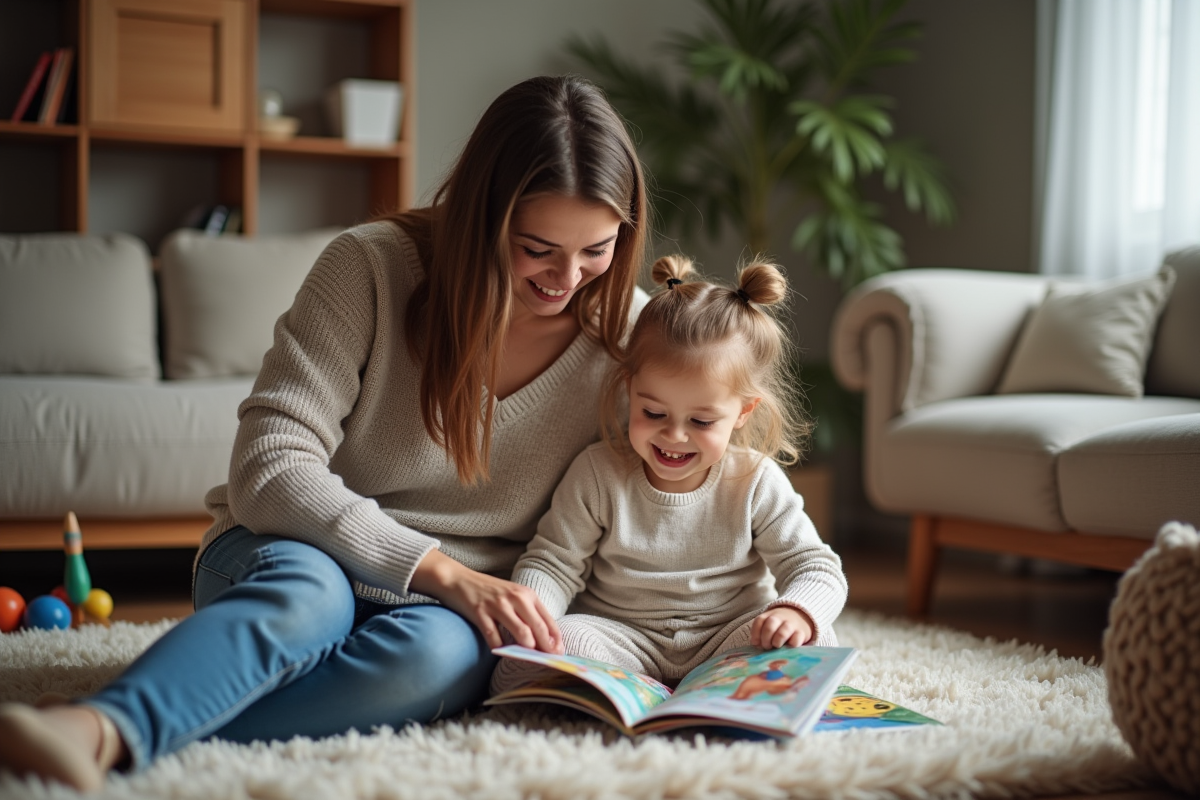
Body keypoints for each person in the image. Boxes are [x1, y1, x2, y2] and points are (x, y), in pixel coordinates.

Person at [0, 74, 649, 792]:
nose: (568, 277)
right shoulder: (371, 266)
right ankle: (103, 728)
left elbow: (687, 489)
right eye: (537, 248)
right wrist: (442, 571)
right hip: (291, 553)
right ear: (482, 215)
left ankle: (131, 723)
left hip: (443, 615)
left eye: (598, 248)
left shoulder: (629, 334)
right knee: (317, 601)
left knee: (442, 660)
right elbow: (269, 467)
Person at [492, 254, 847, 693]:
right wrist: (532, 623)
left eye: (701, 422)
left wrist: (796, 613)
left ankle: (709, 691)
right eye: (653, 411)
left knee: (818, 639)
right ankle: (622, 693)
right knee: (557, 644)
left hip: (730, 640)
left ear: (742, 413)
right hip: (623, 639)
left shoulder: (755, 480)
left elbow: (815, 566)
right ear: (629, 390)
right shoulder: (597, 472)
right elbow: (554, 562)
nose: (674, 435)